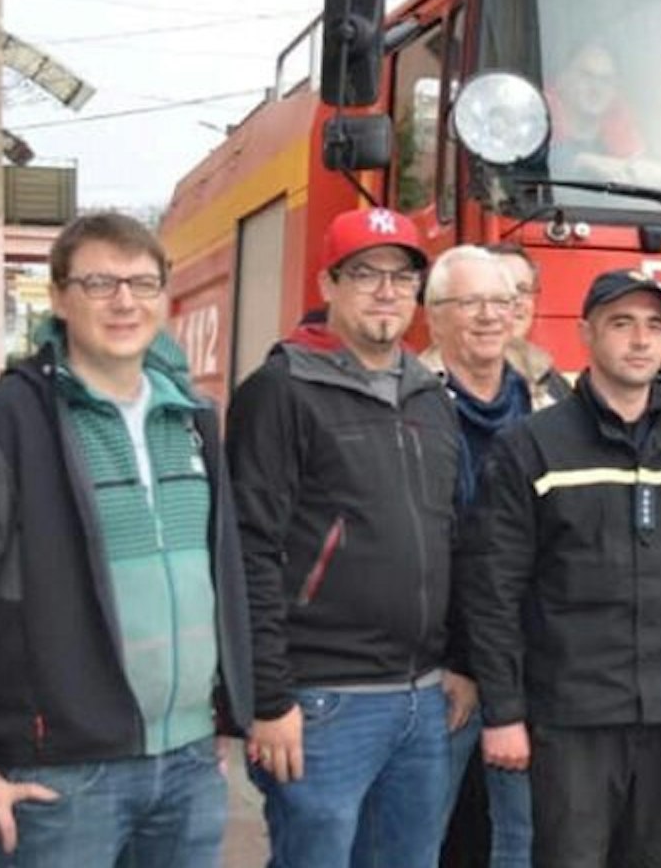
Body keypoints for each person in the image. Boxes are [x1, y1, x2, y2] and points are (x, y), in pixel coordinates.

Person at [0, 212, 254, 867]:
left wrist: (224, 707)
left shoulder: (195, 420)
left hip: (189, 763)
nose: (124, 302)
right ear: (59, 297)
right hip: (62, 773)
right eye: (99, 283)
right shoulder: (0, 420)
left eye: (142, 283)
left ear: (164, 295)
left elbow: (223, 576)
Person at [461, 268, 661, 866]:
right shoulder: (532, 446)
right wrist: (504, 712)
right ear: (586, 334)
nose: (640, 340)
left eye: (654, 326)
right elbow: (494, 589)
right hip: (571, 717)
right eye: (621, 324)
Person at [227, 206, 462, 866]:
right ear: (328, 284)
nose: (387, 291)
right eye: (364, 273)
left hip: (422, 698)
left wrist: (461, 662)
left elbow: (453, 536)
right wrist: (268, 698)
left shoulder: (430, 398)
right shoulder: (281, 391)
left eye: (402, 276)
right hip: (323, 701)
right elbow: (249, 550)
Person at [422, 247, 536, 868]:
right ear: (435, 316)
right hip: (444, 674)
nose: (490, 316)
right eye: (471, 303)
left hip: (528, 668)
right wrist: (454, 659)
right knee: (417, 838)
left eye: (501, 302)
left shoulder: (548, 404)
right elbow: (415, 548)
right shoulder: (408, 405)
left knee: (522, 841)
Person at [549, 43, 657, 182]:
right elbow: (531, 162)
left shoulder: (623, 139)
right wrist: (580, 161)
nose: (596, 87)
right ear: (563, 79)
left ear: (615, 89)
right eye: (586, 76)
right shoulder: (538, 125)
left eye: (606, 80)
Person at [483, 240, 571, 409]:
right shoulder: (439, 385)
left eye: (523, 290)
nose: (515, 301)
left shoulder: (554, 384)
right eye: (501, 288)